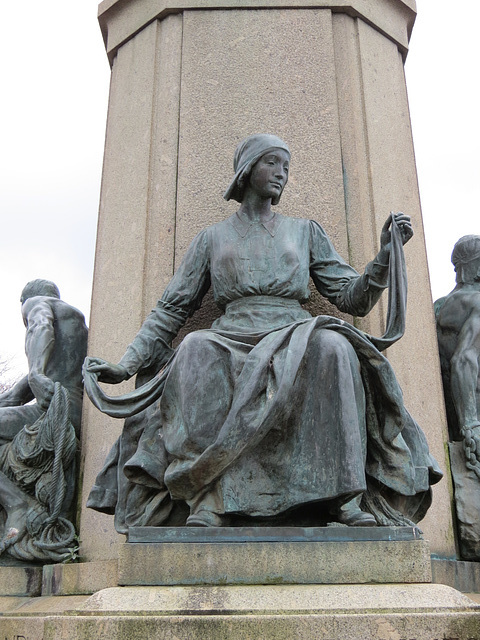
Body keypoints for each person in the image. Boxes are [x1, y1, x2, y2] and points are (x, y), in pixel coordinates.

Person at [85, 134, 441, 530]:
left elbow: (349, 298)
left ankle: (343, 497)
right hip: (231, 331)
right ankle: (208, 498)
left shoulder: (305, 231)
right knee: (195, 348)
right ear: (247, 169)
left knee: (334, 347)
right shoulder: (211, 239)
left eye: (286, 167)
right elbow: (171, 309)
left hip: (293, 329)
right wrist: (125, 365)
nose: (281, 174)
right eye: (272, 163)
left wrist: (383, 261)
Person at [0, 279, 88, 560]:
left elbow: (41, 325)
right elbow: (13, 398)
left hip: (53, 412)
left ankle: (18, 505)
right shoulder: (75, 331)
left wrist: (36, 371)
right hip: (72, 410)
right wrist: (36, 376)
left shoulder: (37, 304)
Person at [436, 235, 480, 447]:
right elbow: (464, 359)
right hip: (472, 425)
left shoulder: (439, 307)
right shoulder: (478, 303)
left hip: (454, 423)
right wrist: (471, 425)